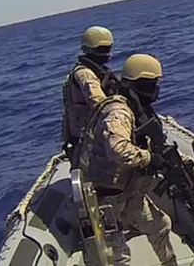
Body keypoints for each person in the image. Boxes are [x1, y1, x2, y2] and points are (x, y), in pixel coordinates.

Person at [76, 53, 178, 266]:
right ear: (141, 84)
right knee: (118, 258)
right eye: (153, 84)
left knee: (160, 225)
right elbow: (119, 150)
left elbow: (164, 150)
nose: (157, 89)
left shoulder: (140, 112)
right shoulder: (119, 112)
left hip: (127, 192)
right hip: (102, 198)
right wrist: (150, 159)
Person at [62, 26, 120, 163]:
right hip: (89, 139)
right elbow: (99, 103)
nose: (108, 54)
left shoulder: (97, 72)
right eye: (104, 50)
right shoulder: (85, 74)